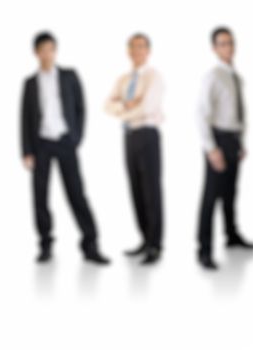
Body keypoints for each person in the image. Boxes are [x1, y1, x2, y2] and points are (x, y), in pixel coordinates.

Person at [21, 32, 110, 265]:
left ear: (55, 51)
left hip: (65, 141)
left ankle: (90, 245)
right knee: (40, 197)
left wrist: (76, 137)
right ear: (36, 53)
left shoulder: (69, 76)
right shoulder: (30, 83)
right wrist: (26, 151)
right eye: (43, 50)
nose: (47, 54)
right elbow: (24, 119)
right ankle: (45, 245)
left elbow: (82, 108)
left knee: (77, 193)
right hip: (40, 144)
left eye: (51, 49)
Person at [196, 26, 253, 270]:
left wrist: (240, 143)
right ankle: (204, 250)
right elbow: (201, 114)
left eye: (230, 43)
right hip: (218, 139)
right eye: (222, 43)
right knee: (210, 197)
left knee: (231, 192)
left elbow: (235, 113)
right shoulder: (212, 76)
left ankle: (232, 236)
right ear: (214, 48)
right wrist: (212, 149)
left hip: (232, 140)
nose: (228, 47)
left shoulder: (235, 76)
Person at [105, 33, 164, 265]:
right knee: (136, 190)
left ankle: (155, 245)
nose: (136, 51)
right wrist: (127, 105)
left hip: (147, 135)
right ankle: (144, 239)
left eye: (141, 47)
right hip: (128, 136)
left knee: (151, 191)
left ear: (148, 51)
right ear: (128, 51)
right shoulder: (122, 79)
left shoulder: (154, 77)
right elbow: (106, 105)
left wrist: (122, 108)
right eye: (132, 47)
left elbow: (147, 107)